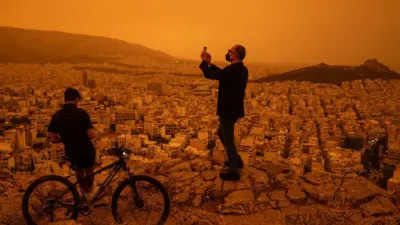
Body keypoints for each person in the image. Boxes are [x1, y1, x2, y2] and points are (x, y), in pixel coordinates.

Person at [199, 45, 248, 181]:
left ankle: (234, 168)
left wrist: (204, 62)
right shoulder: (242, 69)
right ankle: (236, 159)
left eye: (230, 51)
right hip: (235, 108)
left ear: (234, 55)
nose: (227, 53)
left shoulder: (232, 70)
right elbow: (223, 74)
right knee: (221, 132)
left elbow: (210, 75)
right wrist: (210, 64)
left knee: (228, 137)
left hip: (227, 109)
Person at [47, 87, 97, 199]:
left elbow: (53, 139)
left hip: (71, 151)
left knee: (79, 171)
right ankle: (89, 192)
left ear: (65, 99)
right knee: (89, 170)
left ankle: (83, 193)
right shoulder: (82, 114)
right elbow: (91, 135)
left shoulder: (57, 116)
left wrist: (65, 138)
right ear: (76, 99)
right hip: (86, 151)